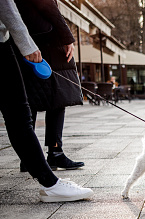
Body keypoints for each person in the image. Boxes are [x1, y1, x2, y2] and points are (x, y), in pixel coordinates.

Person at [0, 0, 93, 202]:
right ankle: (51, 174)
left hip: (17, 39)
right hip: (35, 40)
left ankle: (40, 165)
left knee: (22, 108)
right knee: (22, 111)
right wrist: (29, 43)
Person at [15, 0, 84, 171]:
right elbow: (49, 7)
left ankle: (29, 157)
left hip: (23, 41)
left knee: (30, 100)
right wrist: (67, 37)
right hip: (47, 44)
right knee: (57, 99)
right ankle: (55, 153)